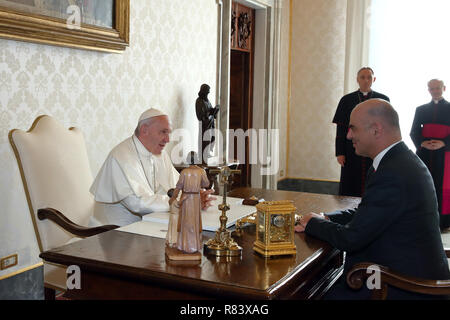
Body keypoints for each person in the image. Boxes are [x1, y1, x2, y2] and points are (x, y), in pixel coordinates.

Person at [297, 99, 450, 299]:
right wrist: (327, 217)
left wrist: (312, 224)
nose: (348, 135)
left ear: (376, 129)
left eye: (353, 128)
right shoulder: (395, 161)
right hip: (393, 269)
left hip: (404, 286)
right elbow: (367, 212)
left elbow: (351, 239)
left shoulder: (394, 171)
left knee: (309, 293)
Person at [90, 108, 214, 227]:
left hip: (149, 224)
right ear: (144, 130)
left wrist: (196, 194)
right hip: (115, 232)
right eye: (163, 132)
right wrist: (186, 202)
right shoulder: (121, 156)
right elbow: (138, 203)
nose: (168, 139)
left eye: (169, 133)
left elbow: (176, 185)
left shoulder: (159, 153)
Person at [333, 67, 390, 197]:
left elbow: (387, 128)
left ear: (374, 79)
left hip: (375, 149)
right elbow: (341, 128)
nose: (366, 80)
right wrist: (340, 153)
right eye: (362, 77)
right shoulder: (346, 100)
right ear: (357, 80)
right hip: (351, 149)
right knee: (350, 184)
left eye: (369, 77)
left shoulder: (382, 99)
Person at [410, 79, 450, 231]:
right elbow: (413, 131)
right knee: (424, 186)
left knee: (442, 188)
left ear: (444, 88)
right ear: (428, 90)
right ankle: (423, 221)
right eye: (432, 88)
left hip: (445, 156)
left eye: (437, 88)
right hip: (425, 155)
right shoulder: (420, 109)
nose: (435, 91)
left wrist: (444, 143)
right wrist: (422, 143)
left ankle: (443, 223)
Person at [170, 152, 210, 253]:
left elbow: (178, 186)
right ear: (197, 159)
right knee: (194, 222)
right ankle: (194, 245)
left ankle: (184, 245)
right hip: (195, 198)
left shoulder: (184, 172)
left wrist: (173, 197)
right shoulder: (201, 171)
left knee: (186, 222)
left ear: (188, 160)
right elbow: (206, 184)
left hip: (186, 198)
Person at [196, 84, 219, 163]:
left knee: (212, 138)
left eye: (208, 93)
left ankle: (208, 153)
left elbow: (211, 111)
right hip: (205, 125)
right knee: (205, 140)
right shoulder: (199, 101)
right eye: (206, 92)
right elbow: (200, 116)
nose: (207, 94)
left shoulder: (207, 101)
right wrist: (209, 114)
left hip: (210, 123)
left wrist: (215, 110)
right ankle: (203, 156)